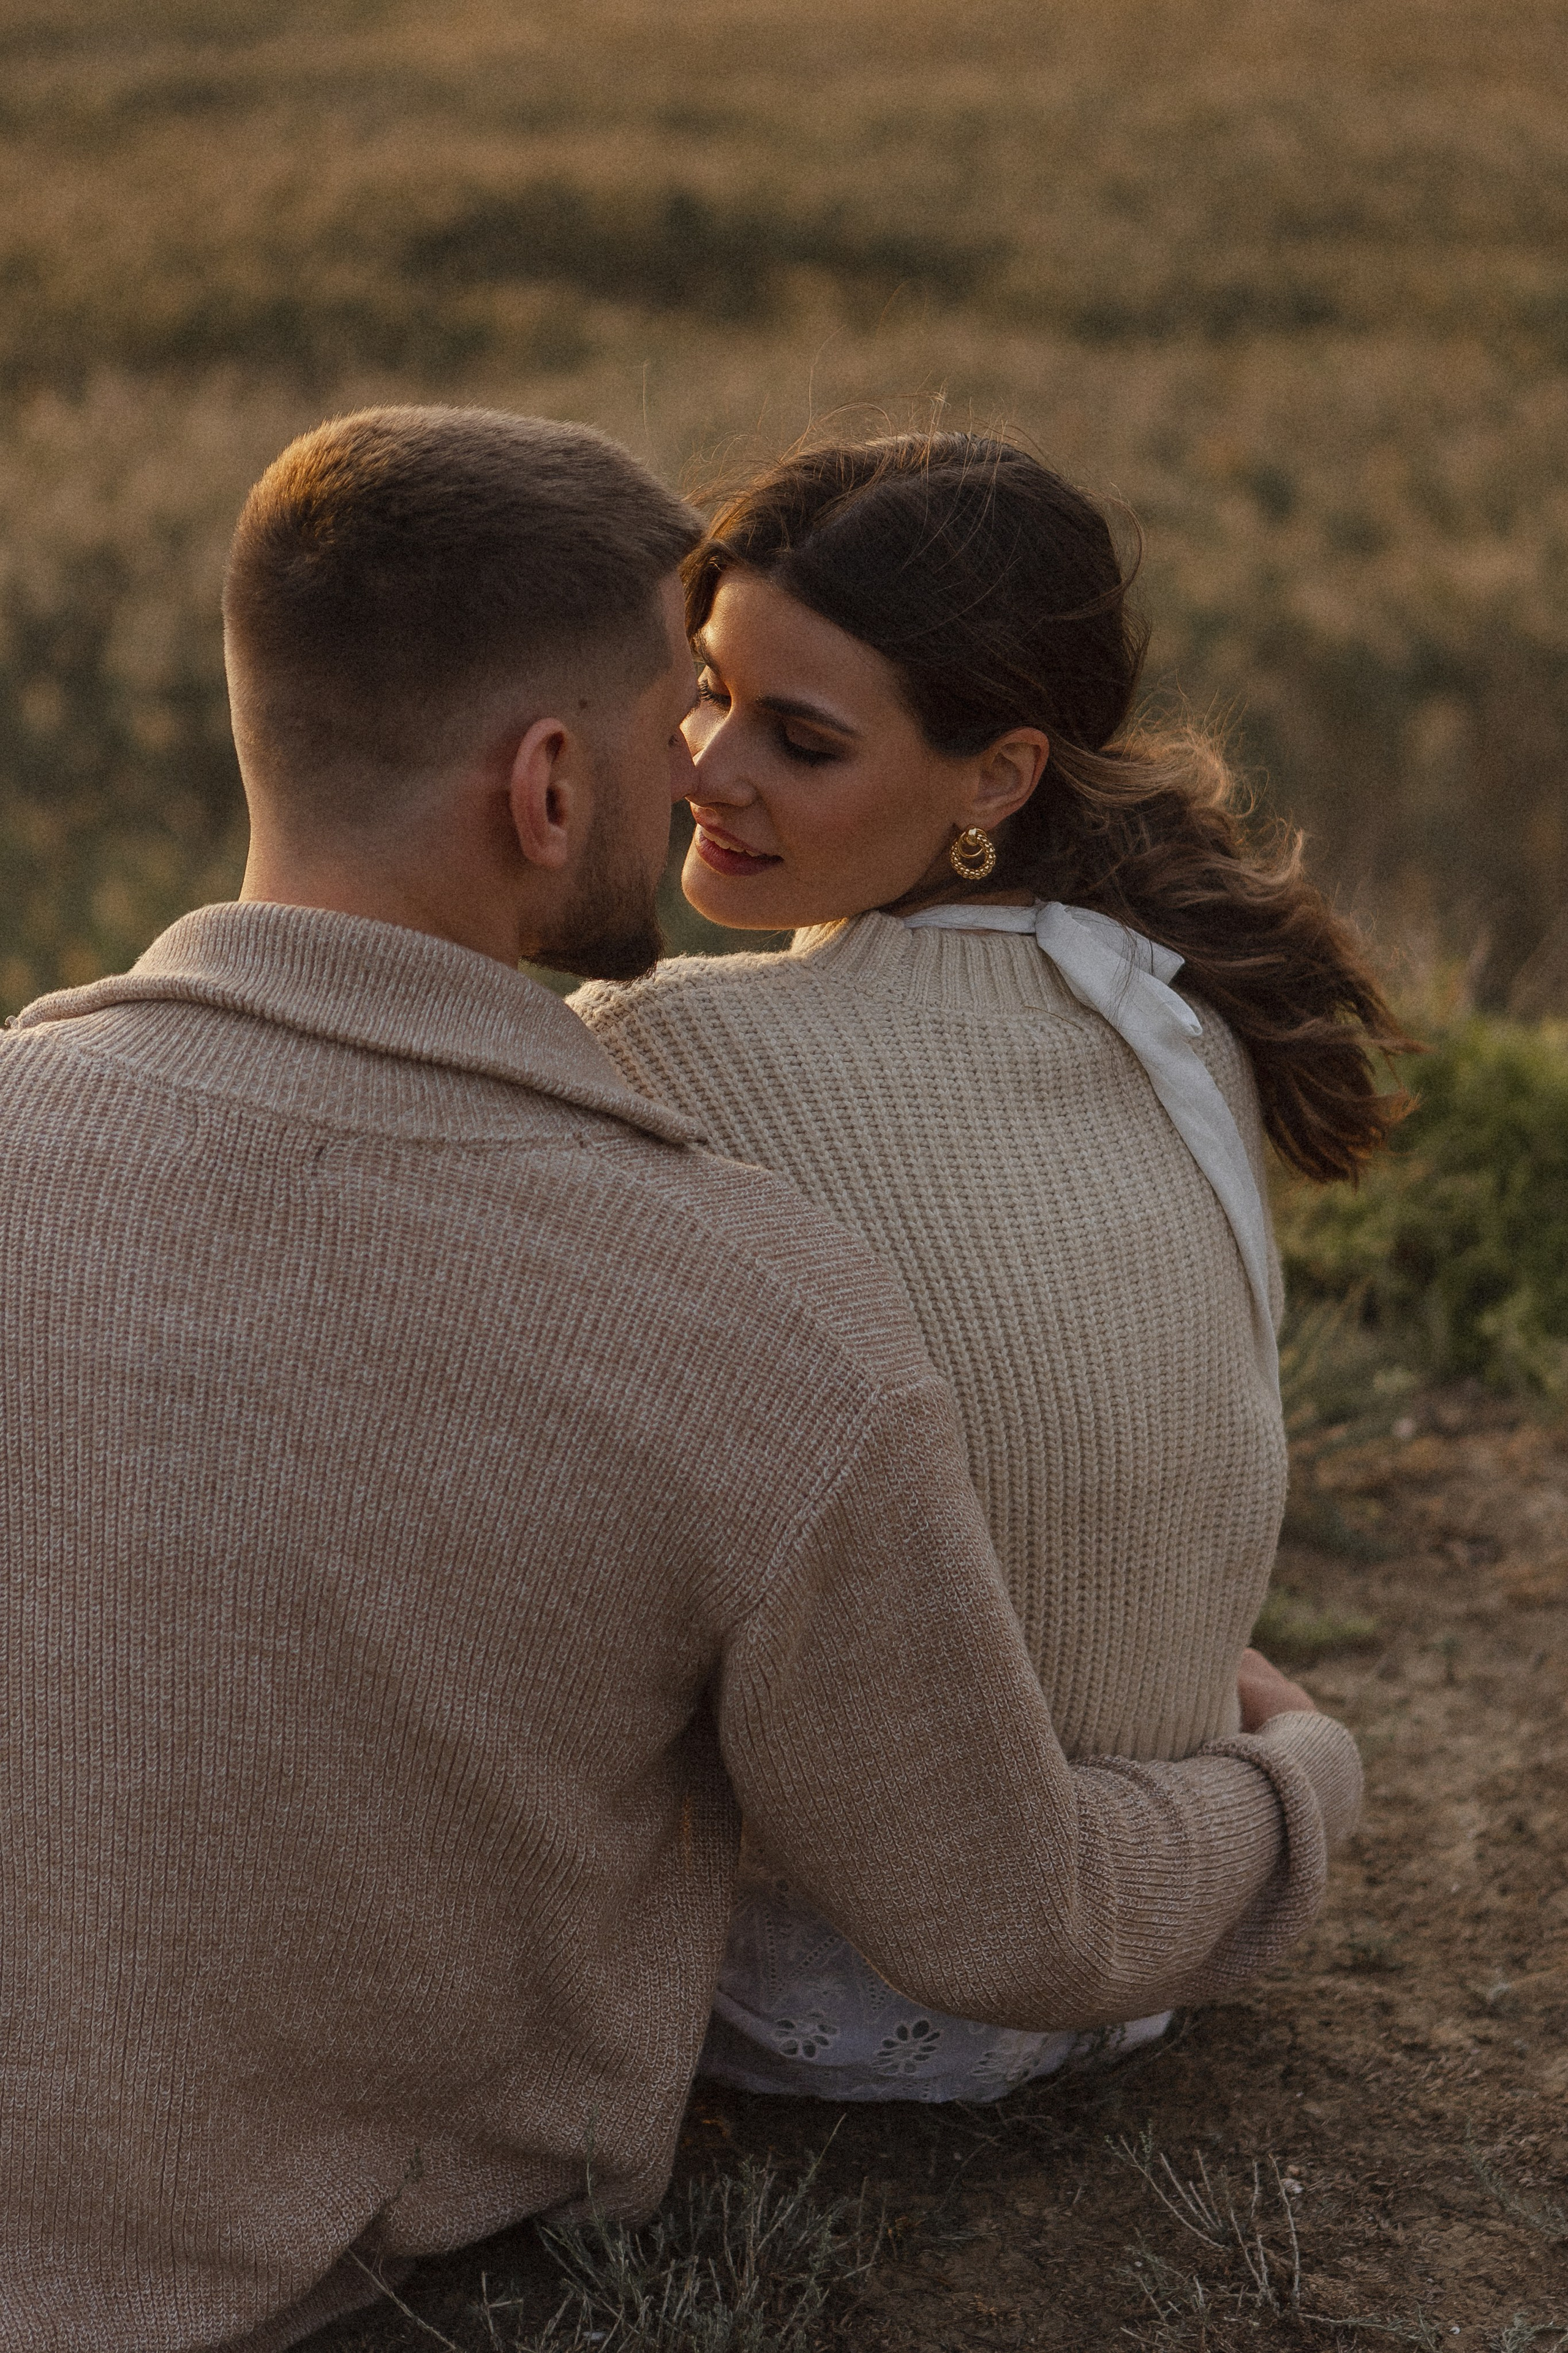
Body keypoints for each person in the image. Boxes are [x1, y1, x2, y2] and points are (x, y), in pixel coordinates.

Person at [0, 407, 1359, 2353]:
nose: (705, 771)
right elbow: (1008, 1915)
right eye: (682, 716)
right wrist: (1302, 1781)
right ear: (554, 785)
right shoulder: (734, 1290)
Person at [574, 431, 1406, 2104]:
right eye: (706, 691)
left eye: (799, 741)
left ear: (996, 778)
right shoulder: (1172, 1008)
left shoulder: (670, 1054)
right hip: (1146, 1945)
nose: (707, 770)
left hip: (817, 1982)